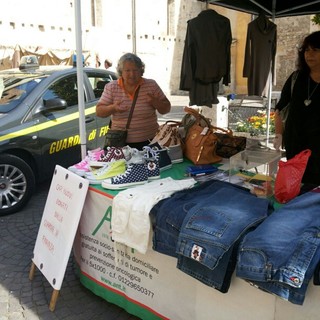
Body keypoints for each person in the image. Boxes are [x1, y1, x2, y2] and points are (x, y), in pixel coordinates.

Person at [96, 53, 171, 150]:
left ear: (141, 70)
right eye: (127, 70)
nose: (132, 74)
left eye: (135, 70)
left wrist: (154, 101)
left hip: (150, 142)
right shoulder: (111, 87)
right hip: (120, 144)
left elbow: (166, 108)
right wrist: (113, 108)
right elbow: (99, 112)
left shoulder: (151, 85)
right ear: (121, 71)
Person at [273, 31, 320, 186]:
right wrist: (278, 136)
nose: (309, 54)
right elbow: (280, 109)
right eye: (306, 50)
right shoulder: (296, 78)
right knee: (295, 188)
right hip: (296, 147)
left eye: (315, 50)